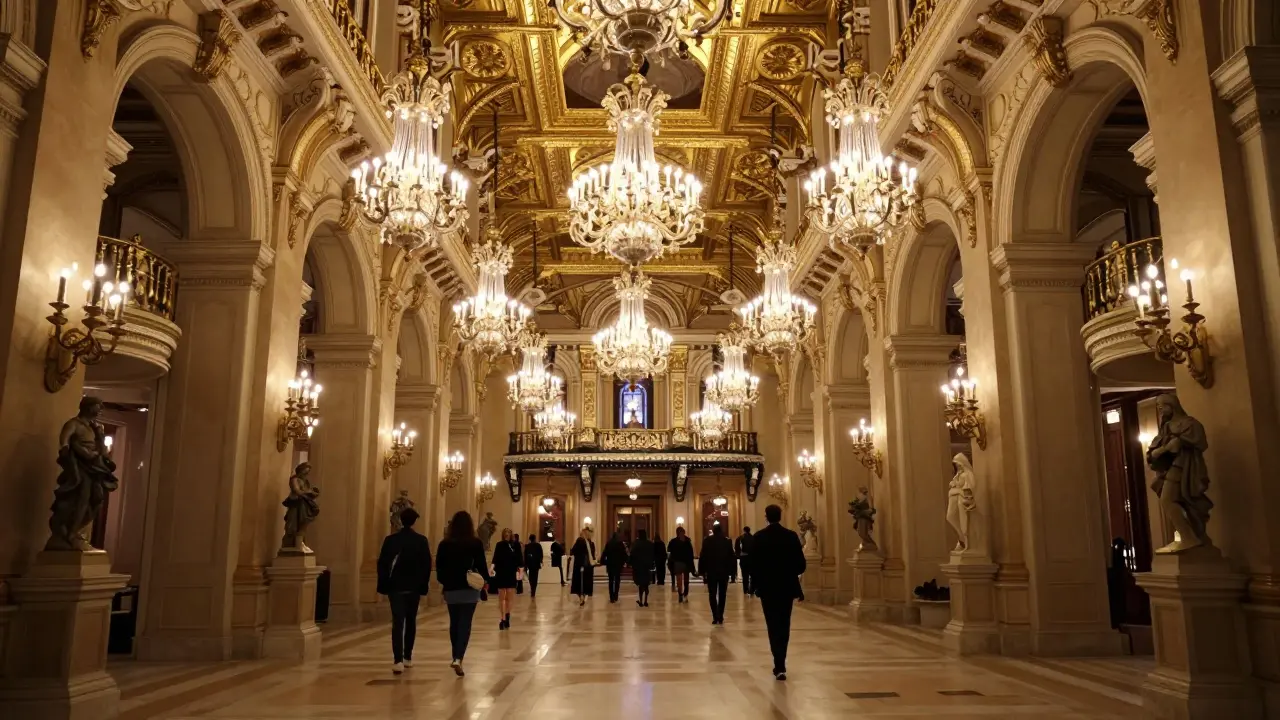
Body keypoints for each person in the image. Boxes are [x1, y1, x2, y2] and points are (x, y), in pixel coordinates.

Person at [750, 504, 807, 681]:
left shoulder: (759, 537)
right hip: (786, 587)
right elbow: (801, 565)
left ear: (766, 516)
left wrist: (758, 582)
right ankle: (781, 662)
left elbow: (753, 565)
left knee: (772, 625)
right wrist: (788, 572)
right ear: (780, 516)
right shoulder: (791, 537)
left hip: (767, 588)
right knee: (784, 624)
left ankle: (779, 664)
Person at [376, 507, 432, 674]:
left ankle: (397, 660)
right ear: (414, 521)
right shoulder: (421, 540)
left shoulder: (391, 540)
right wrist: (424, 585)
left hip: (396, 586)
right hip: (413, 587)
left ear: (400, 520)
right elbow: (426, 565)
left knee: (397, 622)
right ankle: (408, 657)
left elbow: (383, 564)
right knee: (411, 621)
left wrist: (383, 585)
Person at [436, 510, 489, 676]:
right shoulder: (475, 543)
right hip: (469, 587)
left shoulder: (444, 544)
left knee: (455, 622)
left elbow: (439, 568)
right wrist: (486, 581)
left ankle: (455, 656)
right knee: (465, 623)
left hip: (451, 588)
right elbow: (481, 565)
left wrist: (445, 582)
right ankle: (458, 657)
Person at [698, 524, 735, 625]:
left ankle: (715, 616)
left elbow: (703, 557)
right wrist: (733, 573)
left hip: (711, 572)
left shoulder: (707, 541)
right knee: (722, 594)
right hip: (724, 572)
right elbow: (732, 557)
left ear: (713, 531)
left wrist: (702, 572)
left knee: (712, 594)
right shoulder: (727, 541)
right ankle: (721, 616)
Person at [490, 528, 522, 630]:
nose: (507, 535)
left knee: (509, 597)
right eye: (505, 534)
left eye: (508, 533)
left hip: (511, 572)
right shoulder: (499, 545)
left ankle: (507, 615)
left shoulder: (516, 545)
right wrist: (491, 568)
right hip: (501, 573)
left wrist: (521, 572)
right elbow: (495, 558)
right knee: (501, 598)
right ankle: (502, 618)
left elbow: (520, 560)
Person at [570, 527, 596, 606]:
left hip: (582, 565)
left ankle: (582, 597)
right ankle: (583, 597)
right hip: (586, 566)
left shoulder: (584, 541)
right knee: (583, 583)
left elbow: (573, 551)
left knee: (580, 584)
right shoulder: (587, 542)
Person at [668, 527, 695, 603]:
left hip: (680, 562)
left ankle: (683, 594)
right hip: (682, 562)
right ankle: (682, 594)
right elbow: (691, 553)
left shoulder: (674, 541)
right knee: (682, 580)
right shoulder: (686, 541)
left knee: (683, 580)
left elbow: (669, 550)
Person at [630, 529, 655, 607]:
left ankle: (641, 601)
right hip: (647, 567)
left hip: (639, 567)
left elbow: (632, 554)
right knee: (646, 584)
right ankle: (646, 601)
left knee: (641, 585)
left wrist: (631, 563)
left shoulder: (636, 544)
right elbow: (653, 555)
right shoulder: (650, 544)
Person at [601, 531, 628, 603]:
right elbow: (624, 554)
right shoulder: (620, 543)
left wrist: (602, 561)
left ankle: (611, 597)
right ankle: (616, 595)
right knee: (617, 580)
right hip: (618, 565)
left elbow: (604, 553)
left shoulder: (609, 543)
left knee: (610, 580)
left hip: (610, 565)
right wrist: (627, 561)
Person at [735, 526, 755, 597]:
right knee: (752, 575)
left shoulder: (740, 538)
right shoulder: (753, 538)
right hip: (752, 559)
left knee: (745, 575)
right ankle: (752, 589)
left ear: (744, 530)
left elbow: (737, 549)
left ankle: (745, 589)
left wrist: (739, 555)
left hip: (743, 558)